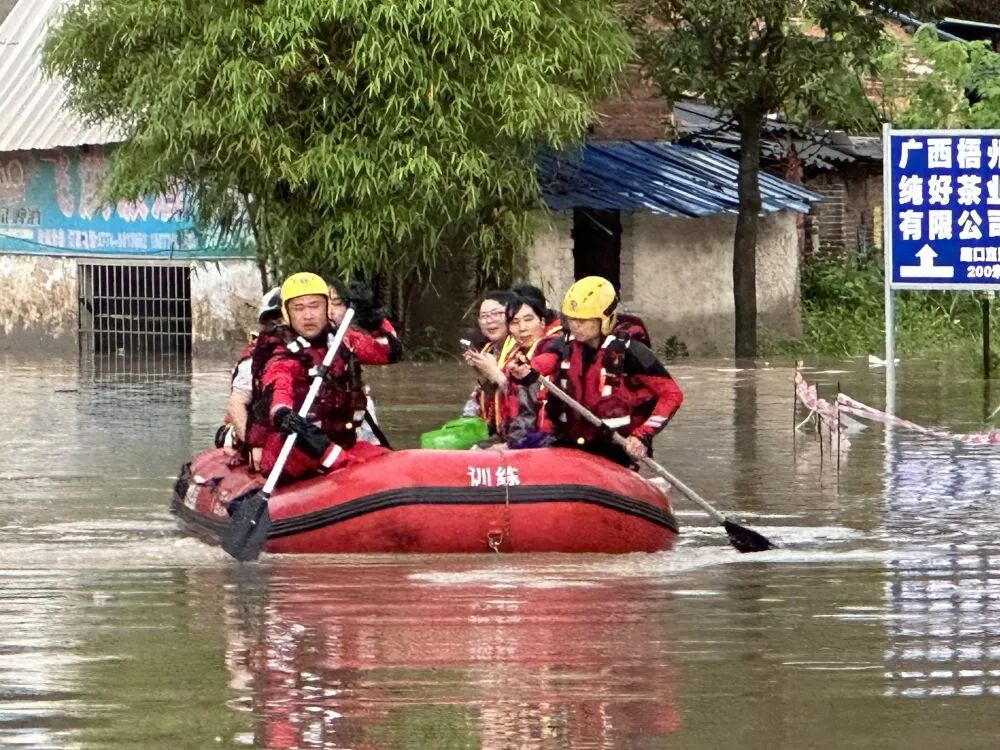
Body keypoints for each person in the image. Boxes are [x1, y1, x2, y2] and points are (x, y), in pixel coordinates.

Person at [243, 272, 398, 480]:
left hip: (341, 442)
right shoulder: (282, 354)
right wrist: (283, 414)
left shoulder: (342, 339)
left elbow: (388, 353)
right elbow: (279, 389)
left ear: (327, 308)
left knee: (389, 464)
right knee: (330, 458)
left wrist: (374, 319)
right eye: (299, 308)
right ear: (287, 313)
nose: (308, 316)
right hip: (295, 449)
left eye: (315, 306)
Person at [524, 276, 683, 467]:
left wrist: (642, 435)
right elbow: (543, 362)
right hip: (570, 440)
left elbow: (671, 394)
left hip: (614, 446)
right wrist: (524, 369)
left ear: (605, 319)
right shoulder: (563, 346)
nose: (575, 326)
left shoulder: (631, 352)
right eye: (571, 319)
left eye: (583, 321)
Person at [215, 287, 282, 451]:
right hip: (260, 435)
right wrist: (253, 445)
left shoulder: (325, 351)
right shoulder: (254, 361)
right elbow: (237, 403)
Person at [460, 290, 518, 436]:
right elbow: (481, 398)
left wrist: (494, 373)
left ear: (512, 315)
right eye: (484, 316)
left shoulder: (523, 349)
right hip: (495, 430)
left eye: (496, 314)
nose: (489, 320)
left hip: (520, 433)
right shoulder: (489, 349)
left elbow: (527, 398)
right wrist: (481, 372)